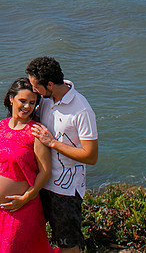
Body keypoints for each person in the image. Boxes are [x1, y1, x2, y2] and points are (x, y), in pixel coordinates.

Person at [26, 57, 98, 253]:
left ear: (50, 84)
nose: (34, 91)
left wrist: (53, 143)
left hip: (65, 191)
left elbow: (91, 156)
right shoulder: (46, 100)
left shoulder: (81, 109)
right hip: (42, 182)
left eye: (36, 86)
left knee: (68, 245)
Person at [0, 77, 57, 253]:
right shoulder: (0, 126)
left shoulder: (35, 131)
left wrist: (27, 197)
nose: (27, 107)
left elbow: (45, 171)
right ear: (11, 99)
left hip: (22, 207)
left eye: (32, 103)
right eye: (22, 101)